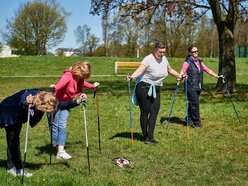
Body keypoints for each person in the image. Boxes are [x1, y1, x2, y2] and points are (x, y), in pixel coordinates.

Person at [127, 41, 181, 144]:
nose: (162, 54)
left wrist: (179, 75)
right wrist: (132, 77)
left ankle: (150, 137)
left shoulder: (164, 59)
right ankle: (145, 135)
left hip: (156, 88)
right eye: (160, 52)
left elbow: (169, 70)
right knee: (145, 111)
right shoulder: (148, 59)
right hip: (144, 87)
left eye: (164, 52)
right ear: (155, 50)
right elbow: (140, 69)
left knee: (155, 112)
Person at [0, 89, 57, 177]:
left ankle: (15, 166)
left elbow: (62, 105)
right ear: (42, 103)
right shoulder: (30, 95)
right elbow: (22, 100)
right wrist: (26, 102)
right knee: (13, 140)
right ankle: (14, 168)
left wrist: (77, 102)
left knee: (14, 140)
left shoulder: (45, 98)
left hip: (17, 114)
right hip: (9, 111)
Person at [49, 61, 99, 160]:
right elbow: (60, 85)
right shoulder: (68, 75)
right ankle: (55, 144)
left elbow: (83, 83)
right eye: (83, 74)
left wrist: (93, 86)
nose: (83, 77)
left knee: (62, 125)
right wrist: (54, 87)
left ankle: (60, 152)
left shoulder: (80, 78)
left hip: (67, 104)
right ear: (78, 70)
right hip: (55, 102)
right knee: (54, 126)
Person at [179, 45, 224, 128]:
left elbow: (208, 70)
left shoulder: (199, 62)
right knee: (195, 104)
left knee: (192, 104)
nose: (196, 53)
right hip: (190, 87)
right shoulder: (187, 62)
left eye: (197, 51)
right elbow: (182, 71)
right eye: (194, 52)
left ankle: (188, 119)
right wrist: (180, 77)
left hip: (198, 86)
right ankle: (197, 122)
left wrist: (217, 76)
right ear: (190, 53)